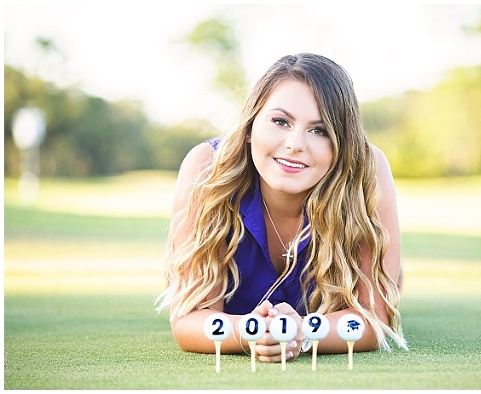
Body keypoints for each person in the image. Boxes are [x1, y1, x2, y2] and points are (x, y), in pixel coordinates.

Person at [155, 53, 408, 363]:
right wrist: (252, 331)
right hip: (247, 319)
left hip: (330, 307)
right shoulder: (207, 168)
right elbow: (189, 320)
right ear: (250, 127)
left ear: (343, 142)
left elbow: (373, 318)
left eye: (320, 130)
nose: (295, 143)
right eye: (280, 121)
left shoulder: (366, 168)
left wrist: (300, 332)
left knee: (390, 279)